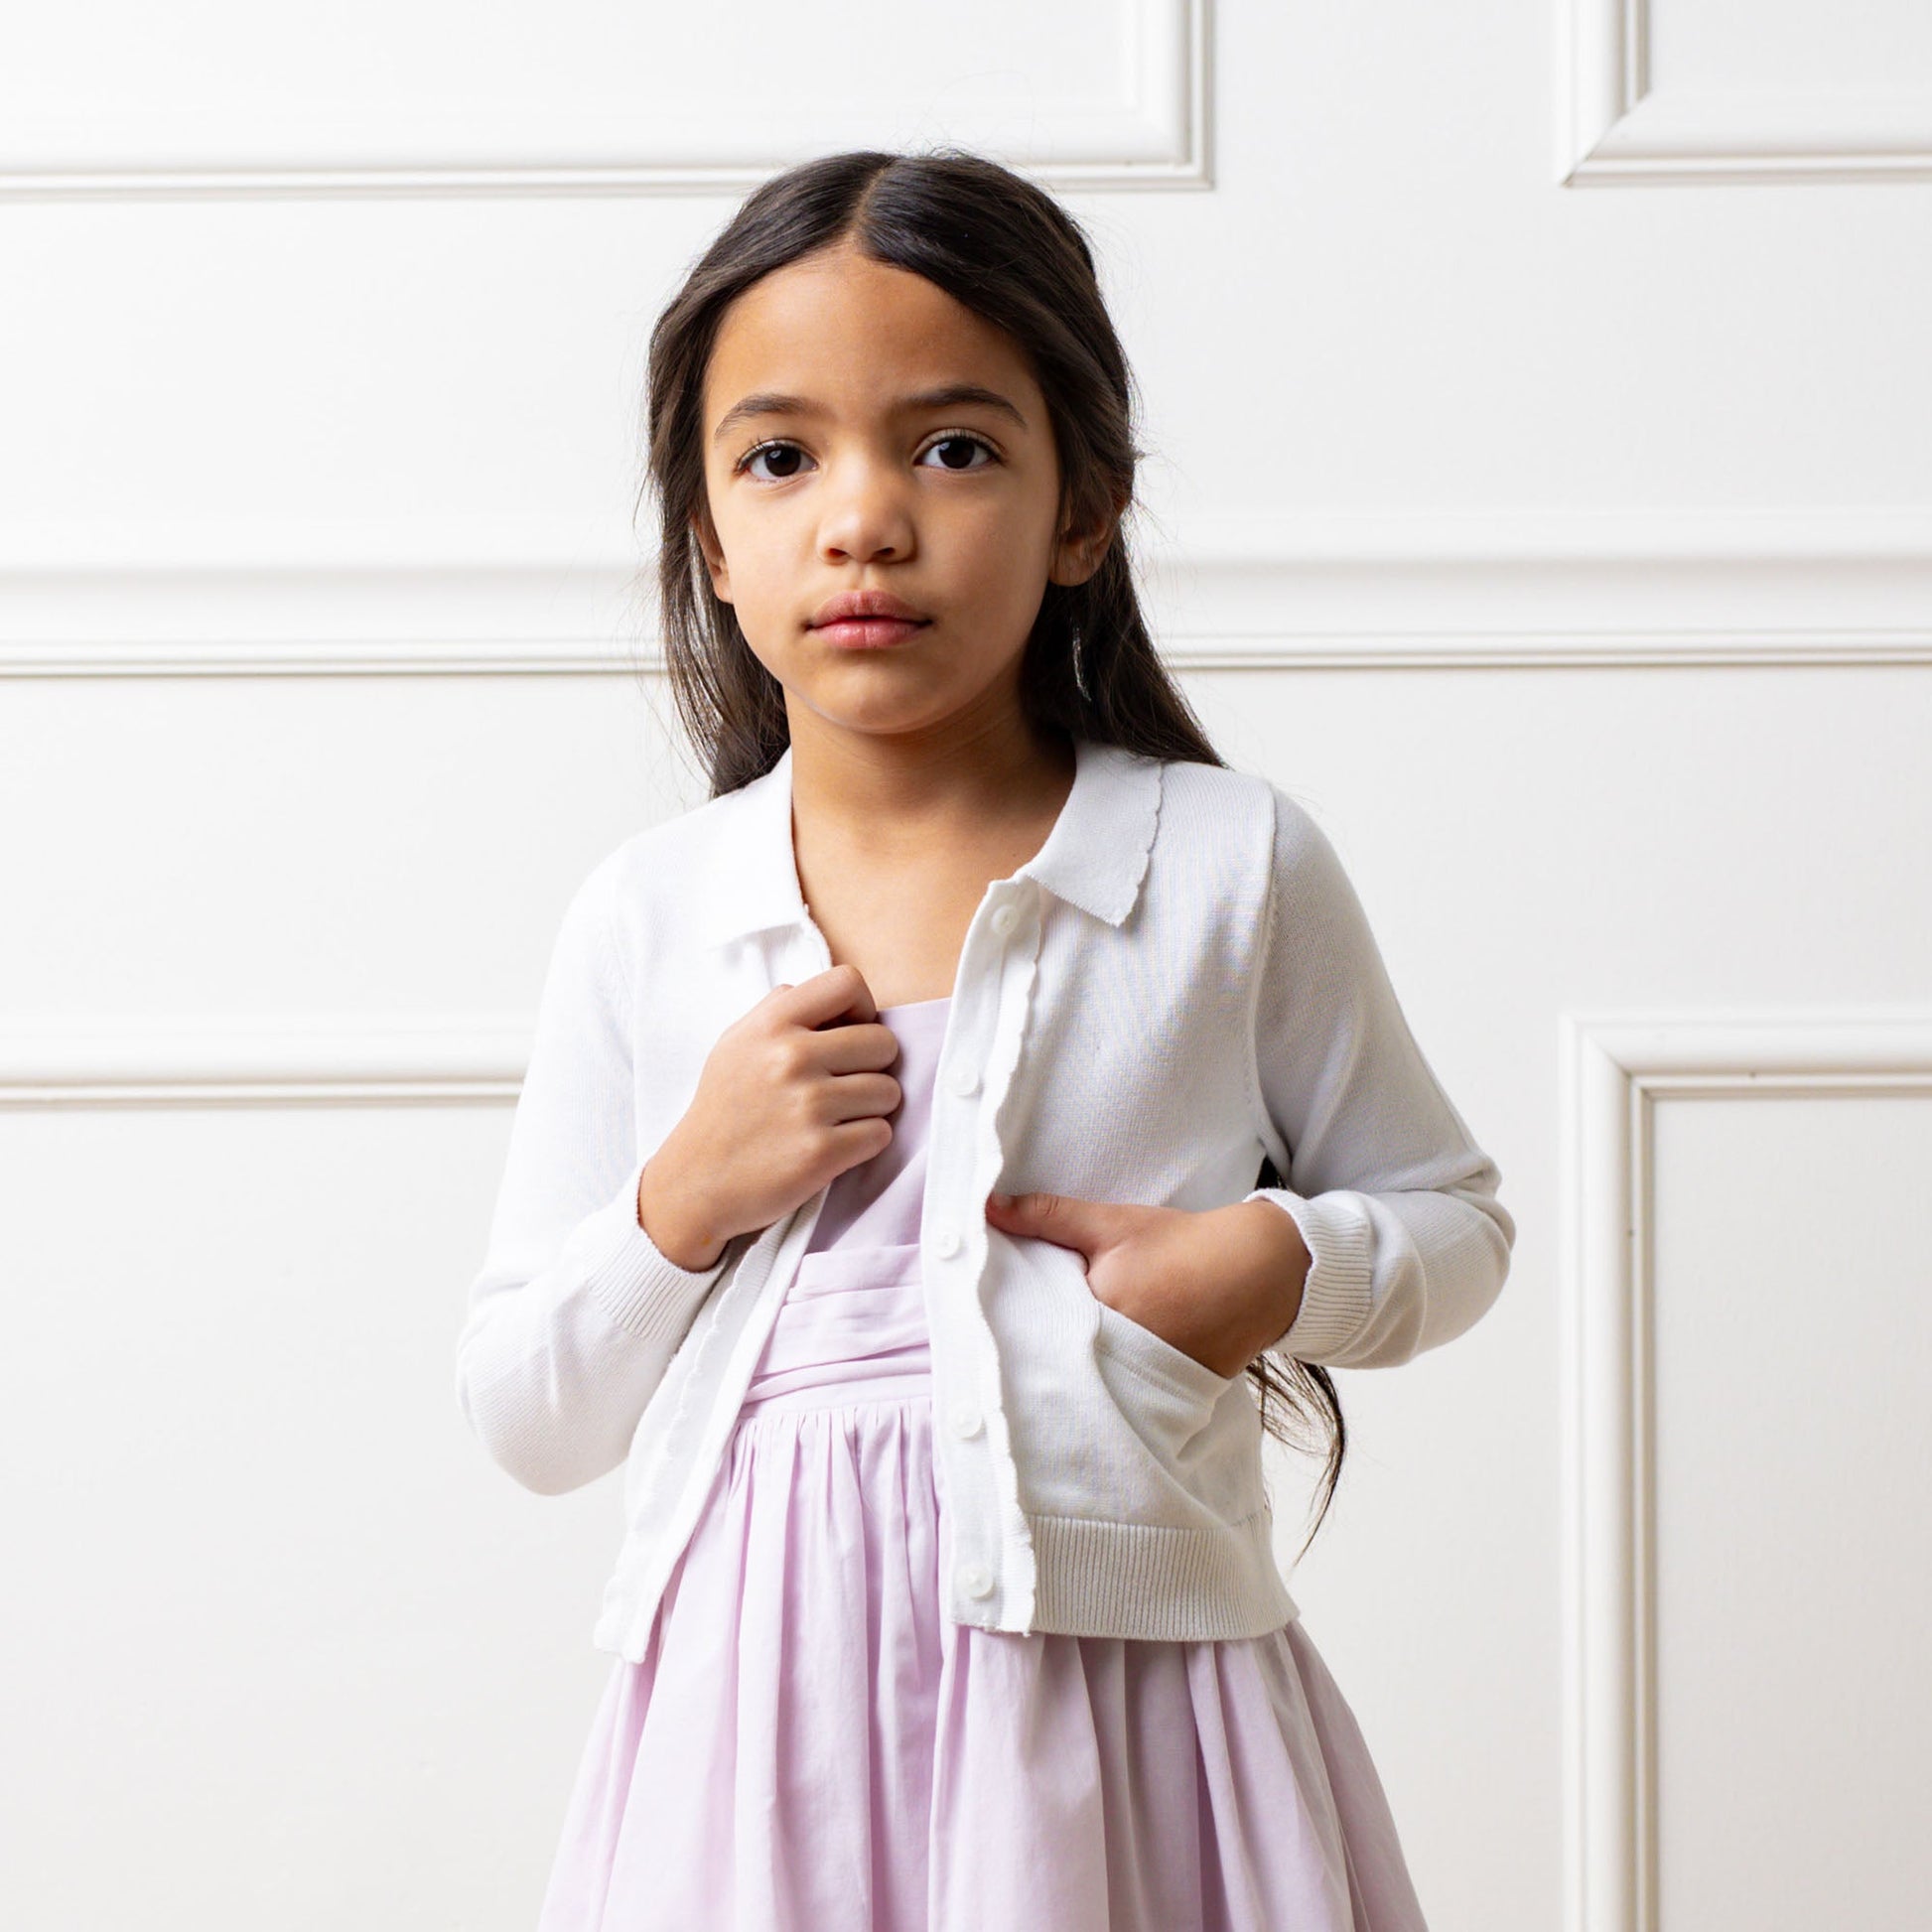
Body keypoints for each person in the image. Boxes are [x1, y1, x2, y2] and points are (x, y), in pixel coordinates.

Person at [454, 147, 1516, 1932]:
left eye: (952, 447)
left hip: (1137, 1713)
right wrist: (681, 1201)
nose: (862, 518)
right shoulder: (649, 914)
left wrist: (1272, 1264)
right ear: (710, 537)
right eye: (779, 457)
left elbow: (1455, 1223)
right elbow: (525, 1413)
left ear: (1084, 510)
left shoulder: (1225, 864)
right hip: (750, 1735)